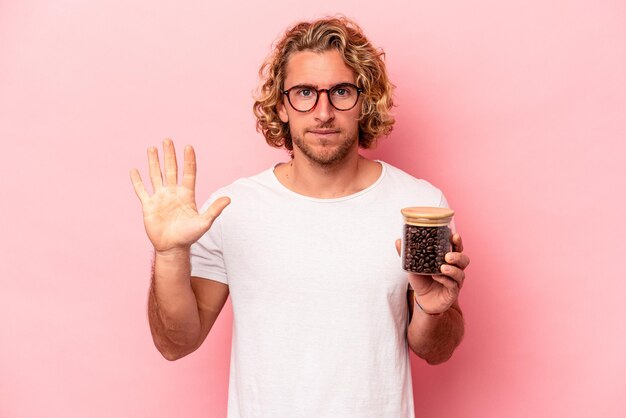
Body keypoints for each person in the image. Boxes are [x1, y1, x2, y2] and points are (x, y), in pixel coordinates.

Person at [130, 16, 470, 418]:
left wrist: (435, 310)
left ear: (364, 101)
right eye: (305, 92)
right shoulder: (232, 209)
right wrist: (170, 254)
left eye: (341, 91)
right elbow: (176, 343)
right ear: (282, 106)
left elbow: (437, 350)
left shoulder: (419, 205)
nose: (323, 112)